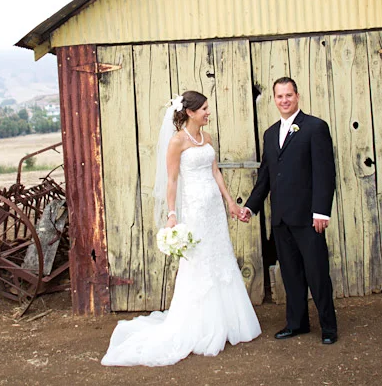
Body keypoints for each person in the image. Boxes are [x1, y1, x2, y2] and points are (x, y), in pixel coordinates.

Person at [101, 90, 261, 366]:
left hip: (214, 210)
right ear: (190, 112)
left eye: (208, 109)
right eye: (204, 110)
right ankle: (201, 326)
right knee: (200, 263)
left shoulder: (207, 138)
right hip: (195, 211)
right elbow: (172, 181)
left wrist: (231, 203)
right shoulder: (177, 142)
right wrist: (172, 214)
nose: (208, 113)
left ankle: (229, 321)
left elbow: (215, 172)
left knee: (221, 258)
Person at [241, 77, 338, 344]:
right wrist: (251, 206)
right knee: (291, 275)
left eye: (289, 95)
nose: (284, 100)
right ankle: (297, 324)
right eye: (279, 96)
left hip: (308, 217)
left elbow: (324, 172)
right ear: (274, 99)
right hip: (281, 218)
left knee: (317, 273)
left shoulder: (315, 127)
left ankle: (329, 327)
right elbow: (266, 176)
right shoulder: (270, 133)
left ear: (297, 96)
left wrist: (321, 211)